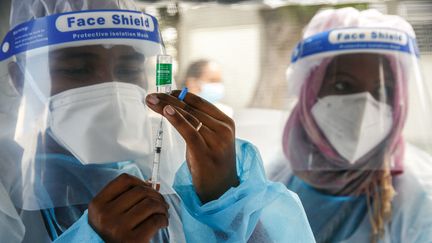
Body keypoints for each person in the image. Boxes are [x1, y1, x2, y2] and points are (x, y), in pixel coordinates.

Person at [0, 0, 315, 242]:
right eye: (78, 69)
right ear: (20, 79)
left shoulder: (174, 167)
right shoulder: (8, 183)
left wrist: (224, 201)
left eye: (127, 70)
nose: (110, 86)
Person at [268, 7, 432, 243]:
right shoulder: (278, 177)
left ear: (398, 102)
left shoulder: (420, 197)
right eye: (343, 86)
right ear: (309, 93)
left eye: (383, 91)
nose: (365, 106)